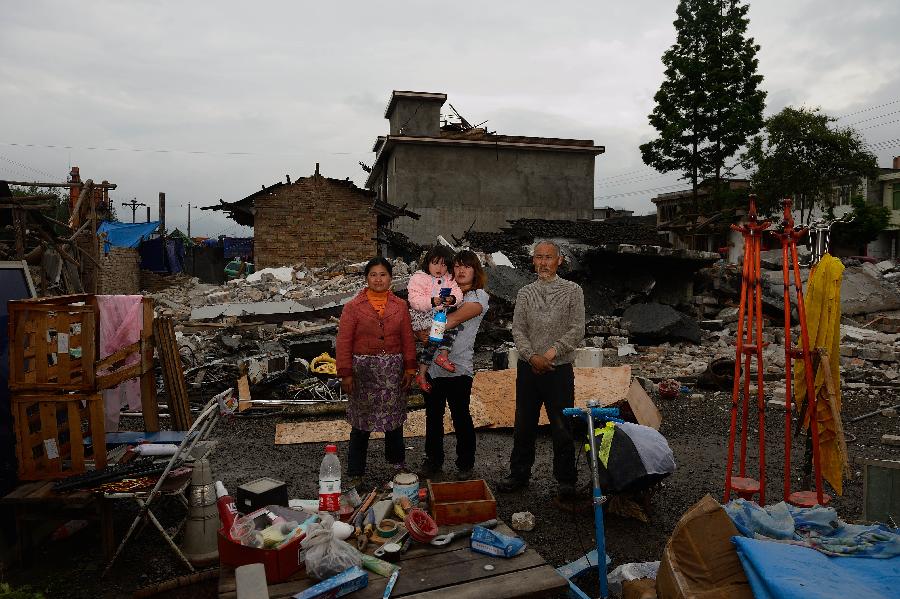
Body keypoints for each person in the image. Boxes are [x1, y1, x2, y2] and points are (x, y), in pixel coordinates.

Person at [497, 241, 585, 499]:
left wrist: (550, 353)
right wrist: (532, 356)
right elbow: (518, 330)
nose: (543, 262)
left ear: (559, 261)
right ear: (533, 261)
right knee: (524, 423)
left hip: (559, 370)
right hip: (528, 369)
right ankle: (519, 474)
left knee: (561, 425)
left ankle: (566, 480)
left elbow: (577, 329)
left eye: (549, 257)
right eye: (539, 258)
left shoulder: (572, 291)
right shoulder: (525, 293)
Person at [336, 257, 417, 490]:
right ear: (366, 278)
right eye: (373, 274)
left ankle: (397, 465)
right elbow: (343, 342)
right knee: (360, 425)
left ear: (390, 278)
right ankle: (355, 472)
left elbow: (407, 339)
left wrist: (410, 368)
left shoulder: (400, 306)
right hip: (364, 373)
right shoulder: (352, 307)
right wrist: (346, 373)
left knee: (393, 422)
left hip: (392, 372)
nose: (378, 279)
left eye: (383, 274)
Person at [418, 250, 490, 480]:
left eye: (467, 267)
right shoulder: (445, 292)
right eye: (457, 266)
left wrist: (423, 332)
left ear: (475, 271)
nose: (461, 270)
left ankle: (465, 463)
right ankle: (433, 461)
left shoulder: (478, 297)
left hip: (459, 366)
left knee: (461, 415)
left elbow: (454, 320)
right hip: (433, 367)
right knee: (433, 416)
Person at [406, 246, 464, 393]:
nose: (440, 268)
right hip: (422, 316)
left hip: (438, 316)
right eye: (435, 263)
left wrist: (452, 299)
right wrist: (432, 301)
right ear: (428, 263)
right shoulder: (418, 278)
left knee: (439, 339)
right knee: (434, 340)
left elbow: (457, 292)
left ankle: (430, 367)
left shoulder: (449, 278)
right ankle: (425, 372)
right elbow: (414, 300)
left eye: (444, 264)